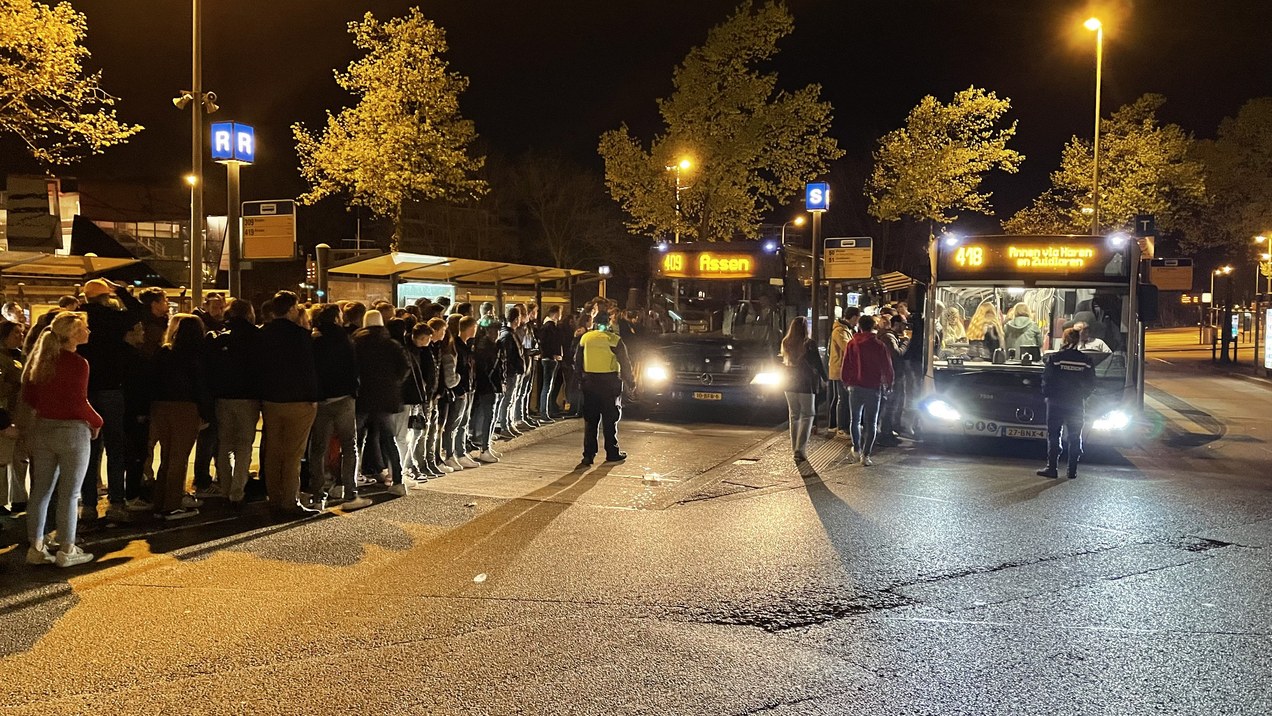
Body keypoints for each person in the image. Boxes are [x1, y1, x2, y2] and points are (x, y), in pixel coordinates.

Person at [22, 312, 100, 567]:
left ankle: (36, 546)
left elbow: (30, 396)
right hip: (71, 431)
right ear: (72, 334)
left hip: (43, 428)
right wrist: (98, 421)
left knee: (40, 491)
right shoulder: (78, 363)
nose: (88, 331)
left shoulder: (42, 359)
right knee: (70, 493)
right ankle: (67, 547)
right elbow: (79, 401)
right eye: (84, 328)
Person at [77, 278, 144, 526]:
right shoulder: (113, 319)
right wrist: (122, 291)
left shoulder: (78, 318)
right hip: (112, 389)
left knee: (90, 451)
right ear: (106, 296)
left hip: (84, 390)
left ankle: (89, 506)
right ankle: (117, 503)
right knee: (116, 448)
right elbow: (138, 311)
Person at [256, 291, 320, 516]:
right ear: (292, 309)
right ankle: (289, 500)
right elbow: (307, 369)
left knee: (273, 450)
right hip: (298, 400)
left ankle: (273, 496)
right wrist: (313, 398)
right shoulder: (300, 335)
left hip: (272, 399)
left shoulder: (264, 333)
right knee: (293, 453)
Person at [149, 314, 211, 520]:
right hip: (185, 406)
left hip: (160, 405)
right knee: (179, 457)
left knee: (166, 456)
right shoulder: (197, 354)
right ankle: (172, 504)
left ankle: (160, 501)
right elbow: (201, 385)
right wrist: (205, 412)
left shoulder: (165, 352)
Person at [309, 304, 368, 509]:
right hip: (344, 398)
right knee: (349, 445)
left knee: (318, 448)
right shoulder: (345, 339)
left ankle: (318, 496)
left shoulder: (314, 340)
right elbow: (354, 367)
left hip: (322, 400)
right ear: (336, 318)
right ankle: (350, 493)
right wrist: (354, 388)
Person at [208, 299, 262, 508]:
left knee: (225, 444)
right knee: (244, 445)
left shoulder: (221, 338)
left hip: (223, 397)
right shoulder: (256, 337)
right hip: (248, 397)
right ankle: (238, 490)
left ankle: (225, 486)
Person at [354, 311, 411, 495]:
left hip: (361, 396)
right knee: (389, 439)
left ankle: (352, 478)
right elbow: (404, 367)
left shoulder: (356, 343)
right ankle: (398, 480)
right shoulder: (391, 344)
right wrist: (393, 383)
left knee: (356, 440)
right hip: (385, 397)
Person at [574, 304, 634, 467]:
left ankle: (588, 456)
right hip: (609, 384)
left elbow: (577, 361)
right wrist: (631, 382)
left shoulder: (585, 338)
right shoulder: (615, 340)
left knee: (591, 422)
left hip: (590, 384)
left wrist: (580, 379)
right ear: (608, 323)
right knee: (610, 420)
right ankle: (612, 453)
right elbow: (625, 363)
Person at [1037, 328, 1095, 479]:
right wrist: (1083, 396)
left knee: (1054, 434)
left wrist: (1048, 395)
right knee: (1075, 436)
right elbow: (1091, 383)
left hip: (1056, 402)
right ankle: (1072, 470)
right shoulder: (1086, 361)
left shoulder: (1056, 358)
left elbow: (1047, 379)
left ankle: (1052, 468)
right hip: (1076, 403)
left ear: (1065, 340)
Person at [841, 315, 895, 467]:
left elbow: (846, 364)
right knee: (871, 423)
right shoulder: (879, 345)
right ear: (873, 327)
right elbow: (887, 366)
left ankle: (856, 448)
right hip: (873, 387)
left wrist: (846, 381)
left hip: (855, 386)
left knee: (855, 420)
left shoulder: (852, 343)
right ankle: (866, 455)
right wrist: (889, 383)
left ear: (859, 326)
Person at [780, 317, 827, 462]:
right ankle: (800, 449)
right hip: (806, 383)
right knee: (808, 414)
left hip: (789, 383)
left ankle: (795, 448)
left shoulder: (786, 342)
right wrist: (825, 379)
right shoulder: (809, 344)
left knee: (794, 416)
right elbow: (818, 364)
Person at [442, 317, 480, 470]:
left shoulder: (465, 345)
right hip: (460, 391)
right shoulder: (456, 347)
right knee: (454, 424)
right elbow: (458, 370)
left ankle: (460, 452)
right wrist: (459, 389)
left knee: (463, 423)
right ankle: (451, 454)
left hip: (467, 389)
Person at [0, 321, 29, 516]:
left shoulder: (21, 356)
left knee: (21, 459)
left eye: (21, 332)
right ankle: (1, 500)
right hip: (4, 414)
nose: (20, 335)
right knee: (2, 461)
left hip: (20, 414)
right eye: (16, 332)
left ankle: (20, 498)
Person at [469, 318, 505, 463]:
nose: (496, 334)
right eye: (493, 331)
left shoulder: (494, 345)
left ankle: (487, 446)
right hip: (487, 387)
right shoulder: (485, 347)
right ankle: (484, 447)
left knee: (491, 416)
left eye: (497, 331)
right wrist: (495, 385)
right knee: (488, 416)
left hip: (492, 386)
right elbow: (487, 370)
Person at [495, 306, 526, 438]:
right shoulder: (508, 335)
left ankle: (508, 424)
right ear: (516, 319)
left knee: (510, 399)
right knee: (507, 400)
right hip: (510, 373)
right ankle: (504, 425)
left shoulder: (510, 333)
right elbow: (506, 356)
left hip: (513, 372)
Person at [826, 309, 856, 438]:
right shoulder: (840, 331)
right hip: (840, 369)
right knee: (842, 399)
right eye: (857, 318)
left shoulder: (845, 329)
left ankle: (834, 425)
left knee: (839, 398)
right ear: (853, 317)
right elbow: (847, 347)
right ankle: (841, 428)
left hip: (840, 368)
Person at [537, 305, 564, 421]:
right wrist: (552, 354)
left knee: (549, 386)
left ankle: (548, 410)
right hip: (549, 359)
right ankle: (545, 412)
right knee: (547, 387)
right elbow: (544, 343)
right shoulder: (548, 327)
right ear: (556, 313)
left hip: (552, 359)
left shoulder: (550, 326)